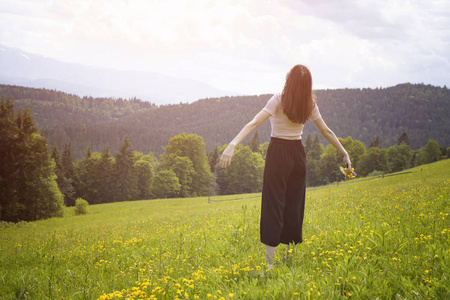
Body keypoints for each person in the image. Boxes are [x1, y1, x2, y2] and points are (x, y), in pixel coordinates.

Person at [219, 64, 352, 266]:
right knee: (294, 205)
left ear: (288, 80)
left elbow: (254, 123)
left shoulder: (278, 100)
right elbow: (327, 131)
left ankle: (270, 264)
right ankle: (290, 257)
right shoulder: (310, 104)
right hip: (298, 155)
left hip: (278, 154)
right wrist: (344, 152)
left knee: (274, 204)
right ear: (308, 85)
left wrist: (232, 144)